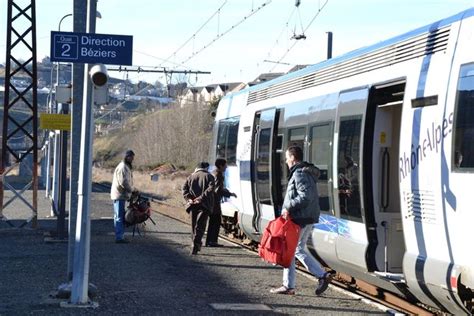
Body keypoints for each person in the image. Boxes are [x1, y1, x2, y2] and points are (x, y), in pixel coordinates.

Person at [270, 145, 331, 295]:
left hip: (300, 217)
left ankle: (291, 285)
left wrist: (288, 207)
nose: (285, 160)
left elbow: (305, 196)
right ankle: (319, 276)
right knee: (297, 249)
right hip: (307, 216)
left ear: (292, 157)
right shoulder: (305, 172)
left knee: (291, 249)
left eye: (286, 157)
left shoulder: (299, 173)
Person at [182, 162, 215, 255]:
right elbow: (211, 189)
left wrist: (189, 199)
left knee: (193, 225)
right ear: (206, 168)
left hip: (192, 205)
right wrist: (200, 198)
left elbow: (184, 189)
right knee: (200, 226)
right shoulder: (209, 176)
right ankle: (196, 245)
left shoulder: (190, 177)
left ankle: (194, 244)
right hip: (205, 205)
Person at [206, 158, 237, 247]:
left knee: (212, 222)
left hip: (211, 201)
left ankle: (209, 241)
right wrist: (230, 194)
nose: (226, 167)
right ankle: (212, 241)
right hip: (215, 202)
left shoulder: (213, 173)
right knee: (216, 221)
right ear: (221, 166)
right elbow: (218, 190)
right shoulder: (219, 175)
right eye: (225, 165)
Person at [110, 149, 137, 244]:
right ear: (127, 157)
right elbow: (123, 182)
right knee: (119, 216)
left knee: (118, 216)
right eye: (131, 157)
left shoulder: (125, 166)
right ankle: (119, 237)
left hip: (120, 195)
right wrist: (132, 190)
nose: (132, 159)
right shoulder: (123, 167)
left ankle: (119, 235)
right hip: (119, 195)